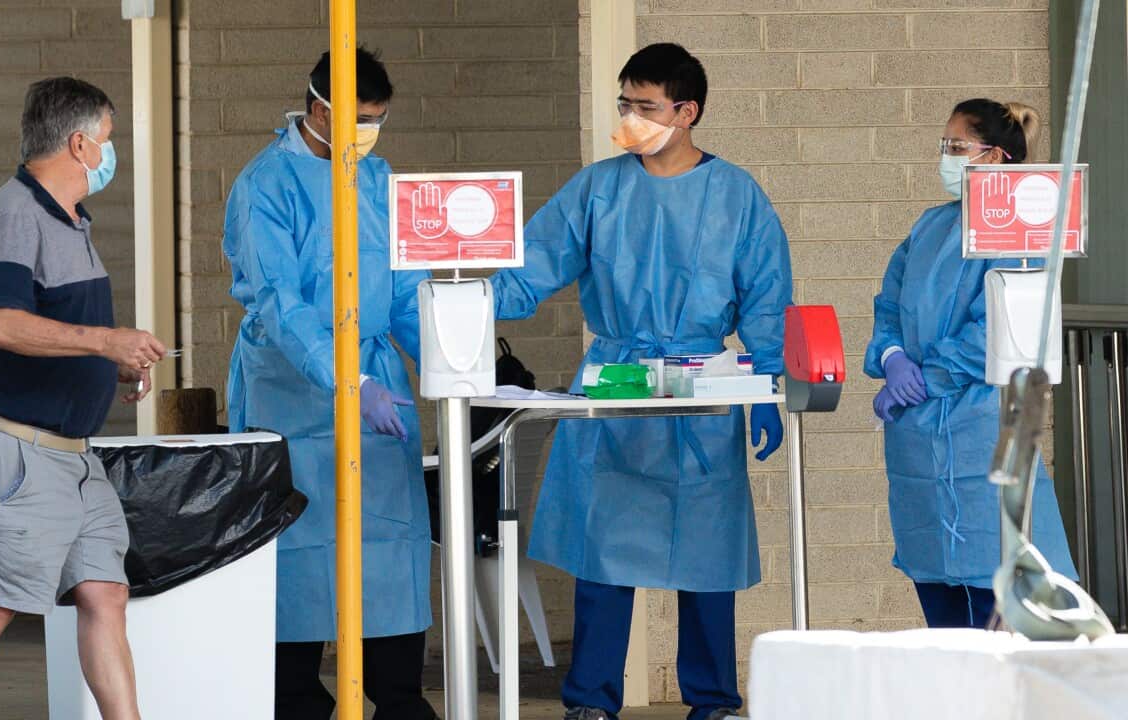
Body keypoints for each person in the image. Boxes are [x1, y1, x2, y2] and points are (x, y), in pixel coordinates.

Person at [490, 43, 793, 720]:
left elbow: (768, 298)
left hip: (702, 392)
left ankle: (713, 702)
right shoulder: (598, 188)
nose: (629, 118)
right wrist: (457, 292)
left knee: (707, 560)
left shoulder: (736, 195)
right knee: (604, 558)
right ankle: (590, 703)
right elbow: (529, 268)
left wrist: (771, 381)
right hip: (616, 386)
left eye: (645, 106)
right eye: (624, 103)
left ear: (687, 112)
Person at [0, 77, 165, 720]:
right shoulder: (14, 213)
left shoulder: (71, 221)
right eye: (109, 141)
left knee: (103, 594)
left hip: (72, 455)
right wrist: (105, 339)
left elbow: (52, 329)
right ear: (80, 142)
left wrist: (105, 361)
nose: (110, 156)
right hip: (19, 448)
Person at [222, 48, 437, 720]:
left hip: (375, 388)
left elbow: (402, 287)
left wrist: (446, 358)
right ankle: (297, 703)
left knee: (389, 544)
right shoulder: (266, 185)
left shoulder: (376, 178)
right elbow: (280, 304)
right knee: (297, 552)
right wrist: (350, 378)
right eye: (359, 118)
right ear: (319, 106)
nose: (369, 133)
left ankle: (399, 700)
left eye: (377, 120)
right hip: (290, 384)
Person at [866, 98, 1077, 629]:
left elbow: (999, 330)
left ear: (997, 157)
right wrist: (892, 359)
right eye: (945, 146)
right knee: (938, 597)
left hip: (984, 425)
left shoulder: (1017, 236)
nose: (946, 157)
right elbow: (888, 304)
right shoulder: (928, 228)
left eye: (958, 147)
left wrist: (926, 379)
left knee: (997, 597)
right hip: (919, 437)